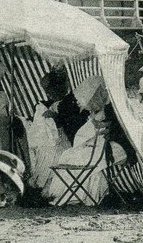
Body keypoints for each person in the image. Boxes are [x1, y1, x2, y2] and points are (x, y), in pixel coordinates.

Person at [47, 75, 135, 205]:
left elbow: (123, 130)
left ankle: (75, 194)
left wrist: (106, 129)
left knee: (80, 158)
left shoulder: (116, 108)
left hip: (118, 148)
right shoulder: (100, 110)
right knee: (69, 155)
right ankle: (71, 193)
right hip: (102, 146)